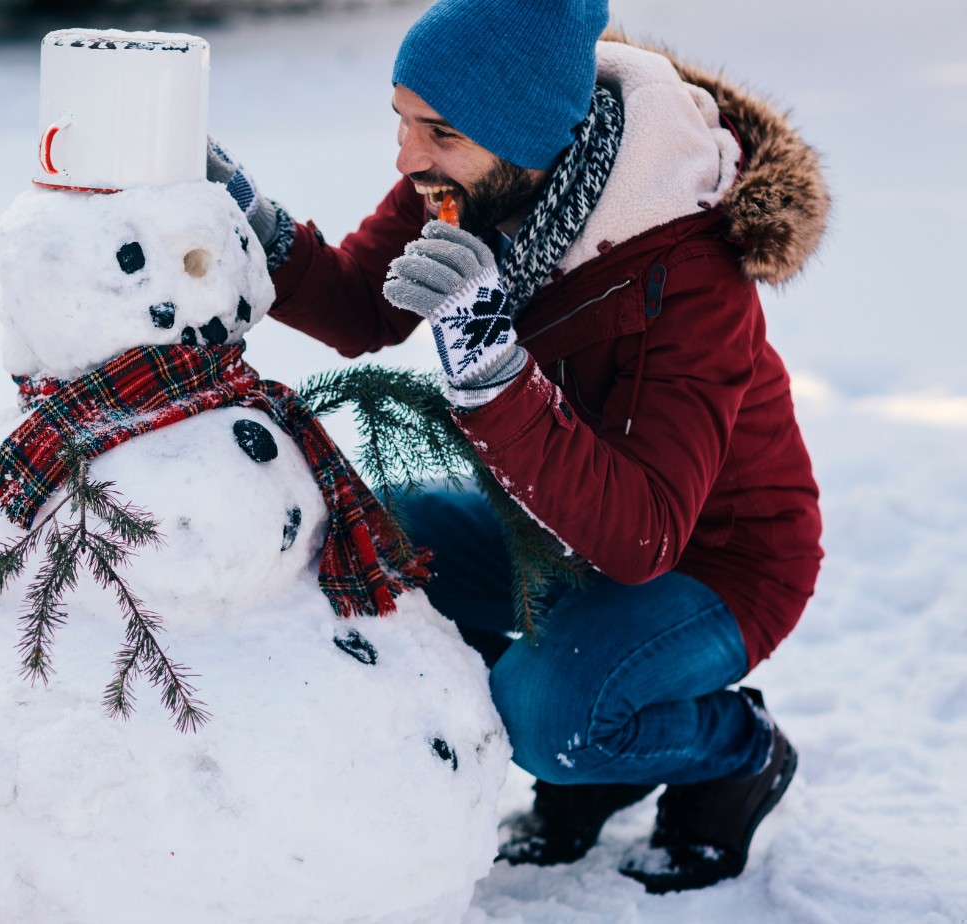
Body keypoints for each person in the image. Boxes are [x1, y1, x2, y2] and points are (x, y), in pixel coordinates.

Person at [210, 0, 827, 894]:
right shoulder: (479, 179)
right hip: (559, 524)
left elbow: (644, 537)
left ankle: (732, 752)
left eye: (438, 132)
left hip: (717, 564)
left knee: (546, 716)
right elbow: (363, 304)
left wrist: (494, 369)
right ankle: (597, 745)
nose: (407, 157)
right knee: (378, 545)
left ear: (536, 135)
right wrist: (249, 220)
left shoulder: (692, 274)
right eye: (402, 120)